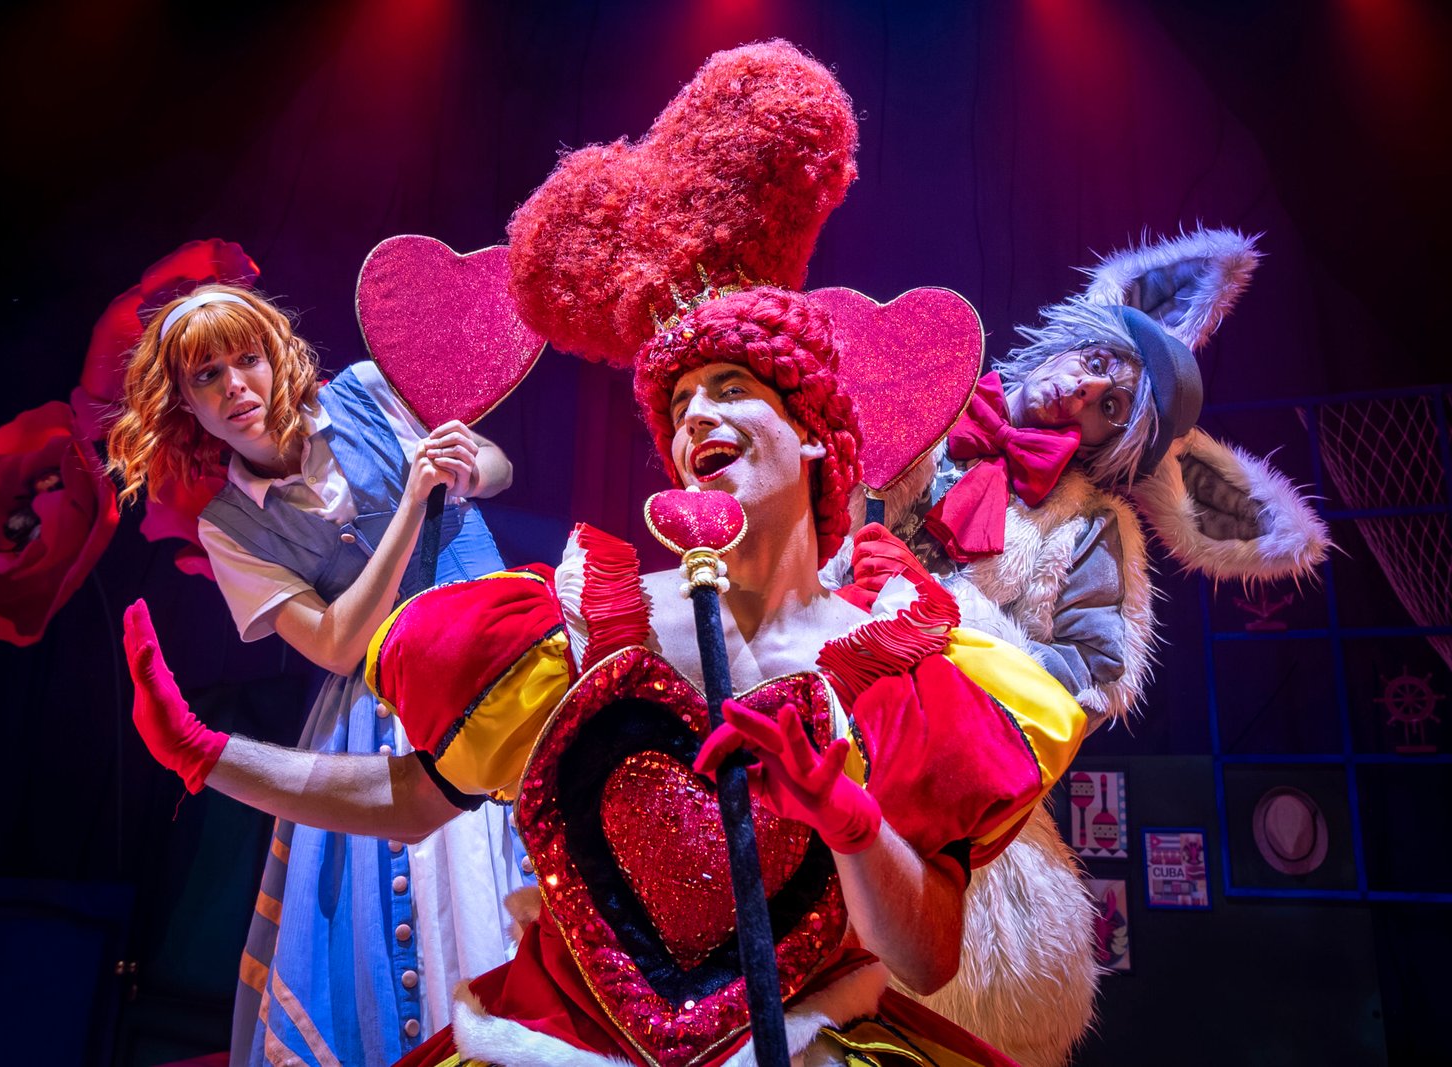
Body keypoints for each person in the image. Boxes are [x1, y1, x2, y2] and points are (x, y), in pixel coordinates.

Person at [121, 284, 1089, 1066]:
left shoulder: (898, 666)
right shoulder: (583, 625)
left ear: (808, 435)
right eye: (678, 404)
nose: (694, 413)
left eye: (729, 386)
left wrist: (853, 824)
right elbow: (412, 799)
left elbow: (924, 957)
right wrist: (209, 756)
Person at [835, 228, 1327, 1066]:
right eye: (1096, 363)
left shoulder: (1092, 527)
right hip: (814, 706)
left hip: (946, 790)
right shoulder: (932, 405)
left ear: (1116, 446)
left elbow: (1091, 681)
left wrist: (944, 617)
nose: (1082, 390)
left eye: (1110, 407)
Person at [106, 282, 530, 1066]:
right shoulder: (229, 527)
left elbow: (497, 466)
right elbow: (337, 644)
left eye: (247, 359)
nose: (236, 386)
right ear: (184, 403)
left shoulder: (366, 391)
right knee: (408, 936)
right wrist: (414, 502)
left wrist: (468, 467)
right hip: (388, 709)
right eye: (207, 376)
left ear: (275, 357)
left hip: (508, 662)